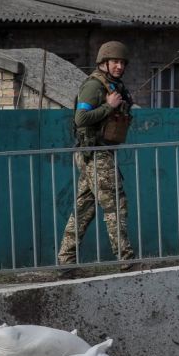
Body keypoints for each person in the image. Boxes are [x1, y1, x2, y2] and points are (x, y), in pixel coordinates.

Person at [57, 41, 136, 273]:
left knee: (84, 209)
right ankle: (125, 259)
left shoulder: (114, 85)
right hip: (95, 153)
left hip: (99, 153)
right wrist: (109, 107)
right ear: (104, 63)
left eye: (122, 63)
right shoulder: (94, 86)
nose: (120, 66)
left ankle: (65, 263)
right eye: (115, 62)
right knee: (116, 205)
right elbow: (80, 119)